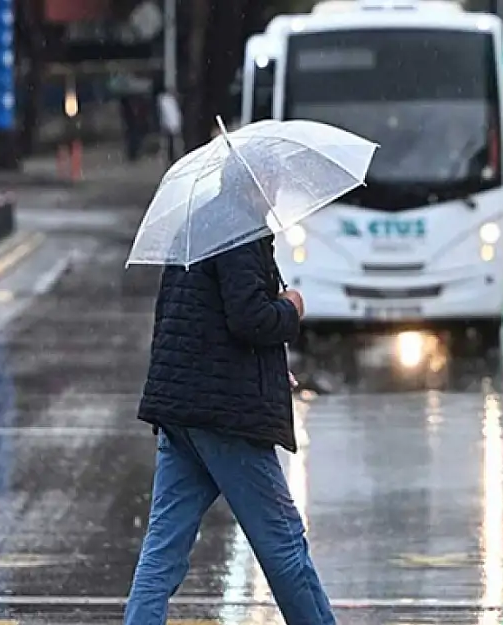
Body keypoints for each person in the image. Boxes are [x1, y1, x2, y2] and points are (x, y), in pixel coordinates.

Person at [124, 152, 336, 625]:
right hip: (226, 418)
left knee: (163, 550)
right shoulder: (240, 232)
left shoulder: (198, 224)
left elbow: (193, 321)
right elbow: (249, 318)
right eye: (274, 179)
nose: (278, 190)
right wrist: (292, 309)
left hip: (182, 410)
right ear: (255, 181)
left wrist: (264, 365)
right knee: (283, 544)